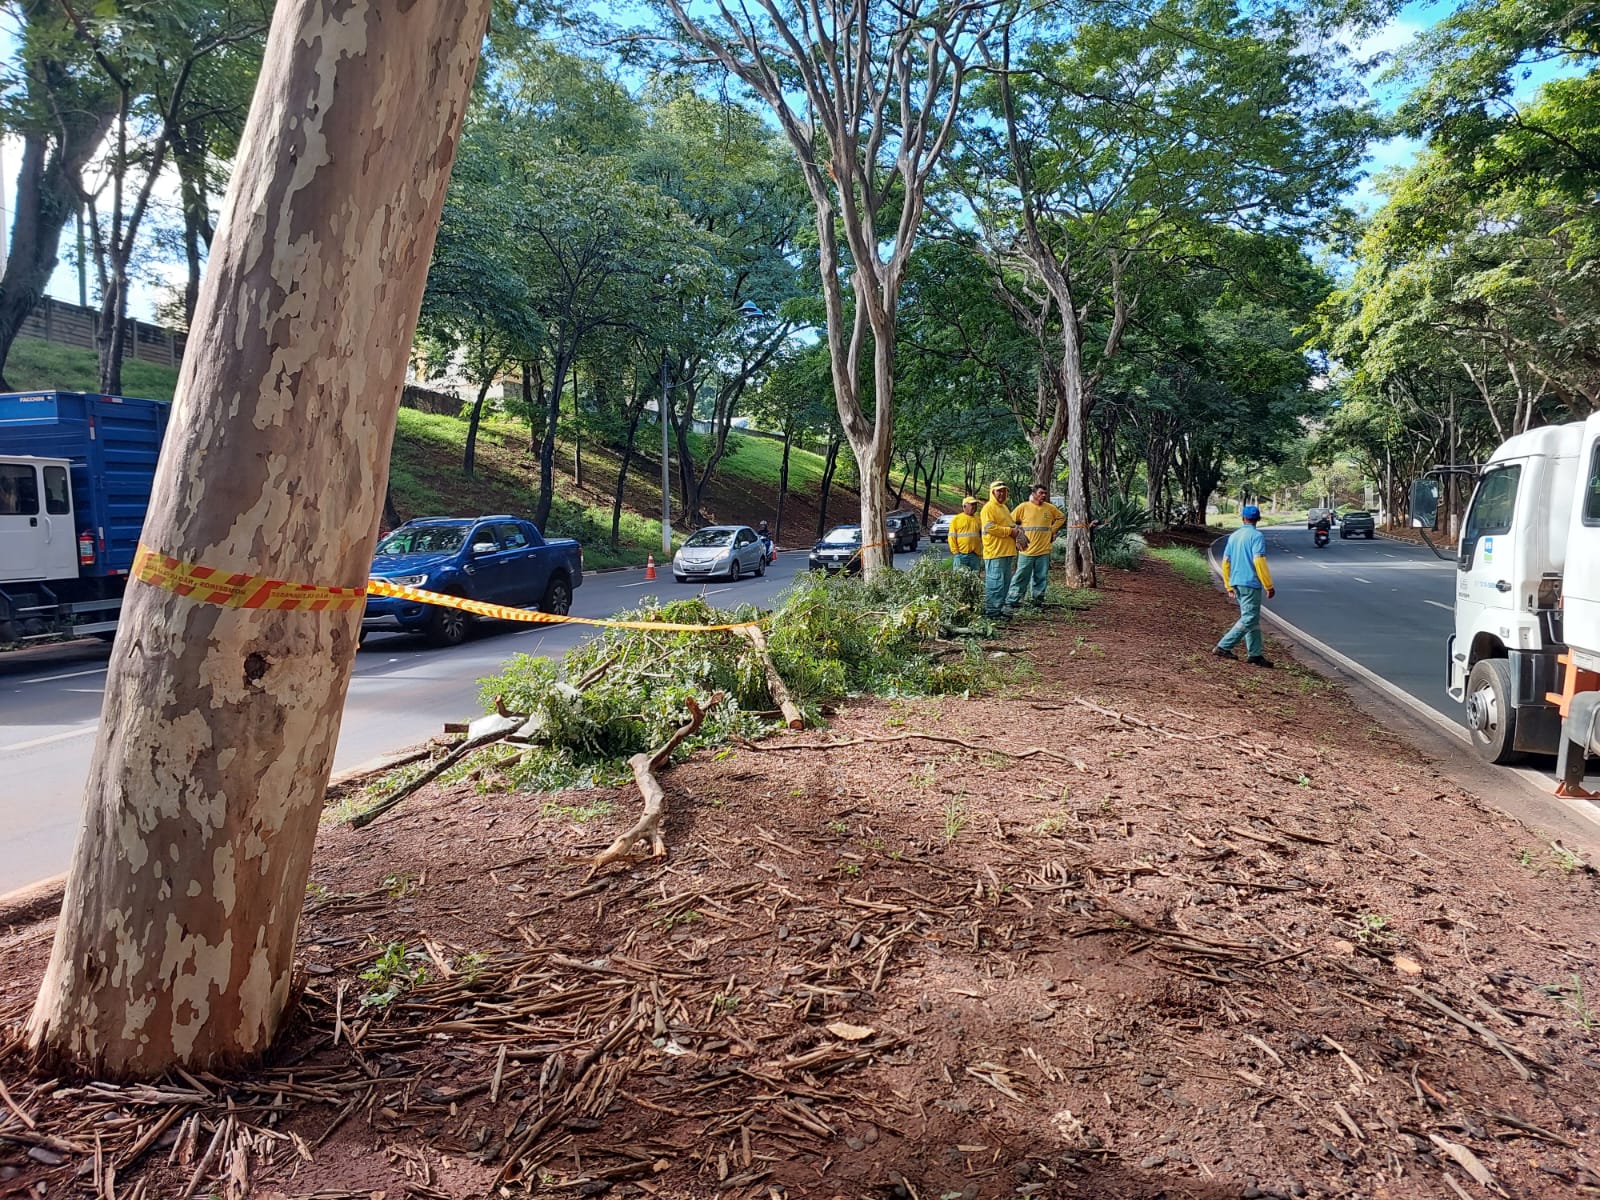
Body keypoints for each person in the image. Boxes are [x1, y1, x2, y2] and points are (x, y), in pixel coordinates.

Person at [1215, 504, 1276, 667]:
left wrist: (1228, 584)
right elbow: (1259, 560)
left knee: (1252, 619)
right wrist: (1268, 585)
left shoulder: (1233, 536)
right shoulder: (1257, 536)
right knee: (1249, 618)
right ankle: (1223, 646)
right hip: (1250, 583)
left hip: (1236, 582)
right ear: (1258, 519)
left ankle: (1255, 654)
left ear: (1243, 518)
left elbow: (1226, 562)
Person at [1006, 483, 1065, 608]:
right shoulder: (1023, 507)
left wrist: (1052, 530)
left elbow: (1061, 517)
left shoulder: (1049, 508)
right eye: (1040, 493)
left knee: (1041, 577)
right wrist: (1018, 533)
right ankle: (1013, 600)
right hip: (1027, 550)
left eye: (1045, 493)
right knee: (1021, 576)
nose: (1043, 496)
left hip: (1043, 550)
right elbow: (1009, 520)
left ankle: (1037, 601)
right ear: (1033, 494)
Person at [979, 481, 1024, 618]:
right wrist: (1010, 531)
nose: (1002, 493)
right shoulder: (988, 508)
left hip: (1006, 551)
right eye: (999, 491)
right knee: (995, 583)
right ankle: (992, 612)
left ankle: (999, 609)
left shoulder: (1003, 508)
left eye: (1004, 491)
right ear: (992, 492)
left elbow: (1010, 524)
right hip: (995, 552)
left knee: (1005, 583)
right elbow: (989, 528)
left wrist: (1018, 530)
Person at [946, 496, 982, 573]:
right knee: (960, 579)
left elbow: (982, 535)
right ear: (964, 506)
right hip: (961, 555)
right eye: (972, 504)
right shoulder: (957, 519)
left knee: (975, 579)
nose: (974, 507)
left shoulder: (978, 519)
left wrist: (980, 552)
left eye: (975, 504)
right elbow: (951, 537)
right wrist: (956, 552)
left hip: (974, 555)